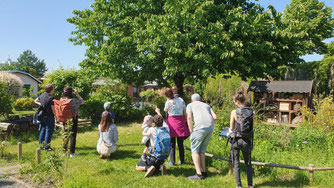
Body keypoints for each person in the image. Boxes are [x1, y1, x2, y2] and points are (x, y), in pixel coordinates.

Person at [186, 93, 217, 180]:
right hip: (210, 128)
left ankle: (198, 174)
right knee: (202, 150)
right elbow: (215, 117)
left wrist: (191, 130)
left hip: (199, 128)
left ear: (192, 100)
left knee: (195, 150)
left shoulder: (190, 105)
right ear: (200, 99)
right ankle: (204, 171)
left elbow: (189, 117)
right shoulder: (206, 105)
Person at [229, 91, 254, 188]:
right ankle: (250, 185)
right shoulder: (251, 112)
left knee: (236, 162)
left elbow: (231, 128)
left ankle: (239, 185)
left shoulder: (234, 112)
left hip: (236, 140)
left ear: (236, 101)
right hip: (247, 140)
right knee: (248, 163)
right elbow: (252, 127)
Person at [136, 108, 169, 178]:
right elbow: (162, 120)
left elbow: (143, 141)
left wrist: (143, 137)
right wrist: (158, 112)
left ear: (154, 122)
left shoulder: (152, 129)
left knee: (137, 166)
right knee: (156, 163)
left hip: (154, 156)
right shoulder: (166, 128)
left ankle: (148, 168)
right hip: (164, 156)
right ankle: (160, 166)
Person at [164, 88, 190, 165]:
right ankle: (182, 160)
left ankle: (172, 161)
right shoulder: (181, 100)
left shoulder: (168, 102)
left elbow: (165, 110)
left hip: (171, 122)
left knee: (172, 143)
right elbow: (185, 112)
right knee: (180, 143)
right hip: (180, 121)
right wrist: (186, 122)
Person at [61, 87, 84, 157]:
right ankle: (72, 152)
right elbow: (82, 101)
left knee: (65, 134)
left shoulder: (62, 100)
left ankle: (64, 151)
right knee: (73, 135)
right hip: (73, 118)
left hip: (65, 118)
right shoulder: (74, 100)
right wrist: (77, 94)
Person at [34, 84, 55, 150]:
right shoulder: (50, 98)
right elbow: (53, 109)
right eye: (53, 88)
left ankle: (41, 145)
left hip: (42, 116)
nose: (54, 90)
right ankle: (47, 146)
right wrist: (56, 116)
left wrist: (41, 104)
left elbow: (35, 100)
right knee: (49, 131)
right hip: (49, 116)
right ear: (51, 90)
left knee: (43, 130)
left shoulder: (42, 95)